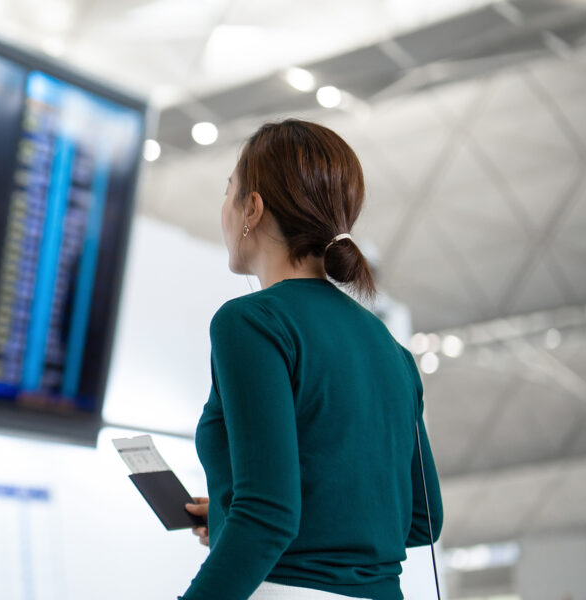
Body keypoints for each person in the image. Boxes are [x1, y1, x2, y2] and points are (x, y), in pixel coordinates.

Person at [176, 119, 442, 600]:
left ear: (252, 208)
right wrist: (228, 520)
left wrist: (247, 529)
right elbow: (423, 520)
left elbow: (268, 515)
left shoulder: (251, 323)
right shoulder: (391, 350)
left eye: (229, 191)